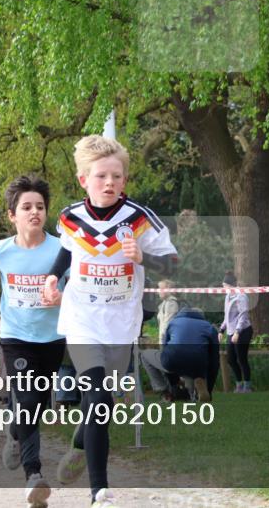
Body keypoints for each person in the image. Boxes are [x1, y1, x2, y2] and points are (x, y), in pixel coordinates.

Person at [40, 135, 177, 508]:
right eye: (101, 176)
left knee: (103, 404)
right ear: (84, 179)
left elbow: (175, 265)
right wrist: (53, 278)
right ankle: (99, 490)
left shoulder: (140, 219)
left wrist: (143, 258)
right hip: (81, 318)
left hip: (121, 322)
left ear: (125, 180)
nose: (109, 183)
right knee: (97, 393)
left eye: (116, 176)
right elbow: (68, 252)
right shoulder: (70, 217)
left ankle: (81, 442)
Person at [0, 175, 64, 508]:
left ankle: (14, 431)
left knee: (36, 403)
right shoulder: (1, 250)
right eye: (26, 207)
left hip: (52, 338)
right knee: (30, 397)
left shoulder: (61, 249)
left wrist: (60, 298)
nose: (34, 212)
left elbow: (77, 288)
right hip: (15, 338)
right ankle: (33, 476)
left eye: (40, 207)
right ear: (12, 215)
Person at [160, 306, 219, 402]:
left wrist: (173, 378)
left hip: (173, 359)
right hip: (198, 363)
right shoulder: (209, 327)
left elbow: (164, 346)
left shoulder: (173, 323)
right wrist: (209, 389)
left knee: (147, 356)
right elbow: (214, 360)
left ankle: (173, 389)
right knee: (194, 364)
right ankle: (197, 386)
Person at [218, 271, 253, 393]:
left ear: (229, 285)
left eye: (224, 285)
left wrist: (237, 332)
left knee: (241, 358)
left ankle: (247, 386)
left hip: (243, 330)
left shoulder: (241, 296)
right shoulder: (228, 296)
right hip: (231, 331)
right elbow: (227, 316)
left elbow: (243, 315)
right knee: (230, 359)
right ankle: (239, 384)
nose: (223, 288)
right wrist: (221, 330)